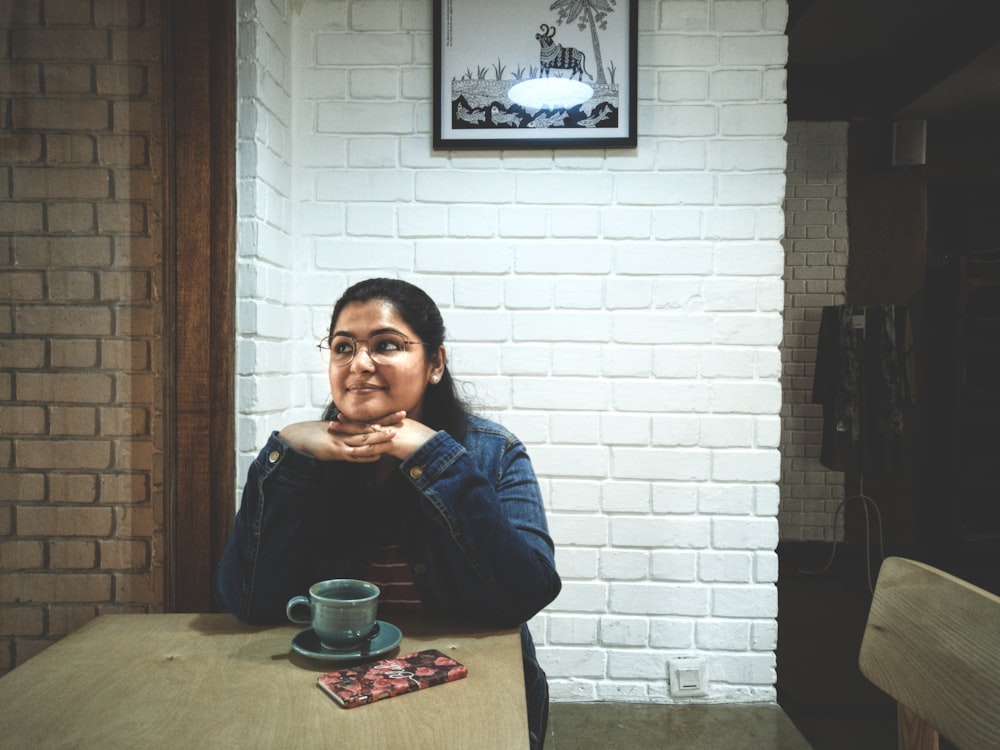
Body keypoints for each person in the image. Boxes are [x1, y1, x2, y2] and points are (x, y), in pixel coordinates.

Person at [215, 277, 561, 748]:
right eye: (342, 347)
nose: (359, 364)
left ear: (435, 362)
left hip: (469, 688)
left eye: (386, 344)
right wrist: (287, 455)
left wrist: (435, 458)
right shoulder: (303, 459)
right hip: (333, 692)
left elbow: (526, 593)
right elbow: (247, 603)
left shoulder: (492, 452)